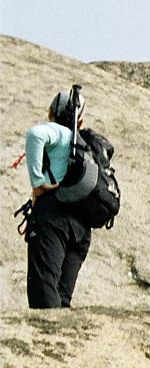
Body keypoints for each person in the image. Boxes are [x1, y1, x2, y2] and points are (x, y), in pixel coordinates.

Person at [23, 89, 92, 308]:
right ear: (80, 121)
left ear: (51, 112)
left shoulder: (59, 132)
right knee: (61, 301)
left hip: (53, 219)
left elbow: (35, 134)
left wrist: (38, 184)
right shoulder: (84, 144)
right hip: (82, 226)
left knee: (43, 295)